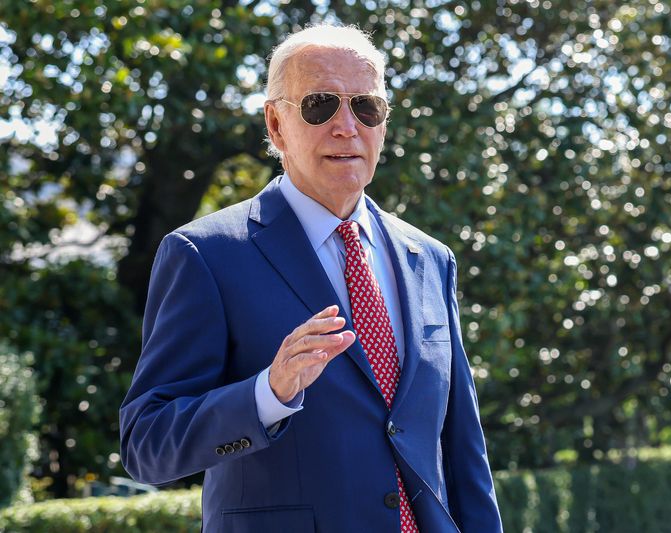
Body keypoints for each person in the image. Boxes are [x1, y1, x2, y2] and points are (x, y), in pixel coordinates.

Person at [119, 24, 502, 533]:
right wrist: (267, 394)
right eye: (321, 105)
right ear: (276, 125)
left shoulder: (430, 258)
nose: (347, 126)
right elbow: (147, 445)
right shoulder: (206, 254)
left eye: (366, 106)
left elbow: (463, 449)